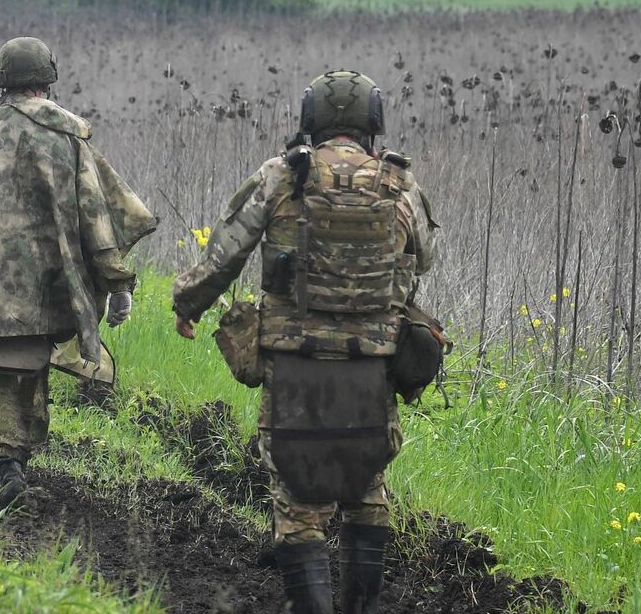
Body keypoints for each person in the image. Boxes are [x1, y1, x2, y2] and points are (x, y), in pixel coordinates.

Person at [171, 71, 441, 614]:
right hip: (372, 366)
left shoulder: (282, 176)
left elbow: (226, 253)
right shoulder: (399, 184)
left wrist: (187, 305)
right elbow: (426, 258)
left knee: (296, 497)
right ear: (373, 122)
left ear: (310, 119)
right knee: (367, 486)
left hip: (294, 364)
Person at [0, 37, 157, 507]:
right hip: (46, 291)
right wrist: (119, 285)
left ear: (2, 81)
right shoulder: (69, 139)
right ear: (47, 81)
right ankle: (17, 455)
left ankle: (7, 458)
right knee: (32, 356)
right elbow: (101, 219)